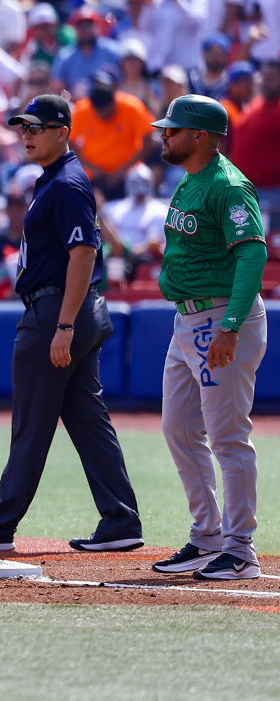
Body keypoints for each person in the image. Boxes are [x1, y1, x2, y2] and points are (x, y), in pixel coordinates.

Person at [0, 94, 143, 554]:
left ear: (62, 132)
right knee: (89, 422)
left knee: (32, 422)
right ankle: (121, 519)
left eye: (36, 127)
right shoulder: (54, 179)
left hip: (56, 311)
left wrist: (64, 326)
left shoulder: (67, 183)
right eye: (23, 127)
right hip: (66, 309)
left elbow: (84, 253)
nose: (26, 135)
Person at [150, 95, 268, 581]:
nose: (164, 136)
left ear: (199, 136)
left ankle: (240, 549)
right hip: (188, 321)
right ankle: (207, 536)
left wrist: (231, 326)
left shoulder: (228, 186)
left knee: (228, 438)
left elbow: (253, 255)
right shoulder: (190, 179)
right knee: (178, 428)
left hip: (222, 319)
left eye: (172, 130)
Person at [71, 71, 156, 200]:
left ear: (114, 102)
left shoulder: (131, 106)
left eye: (107, 109)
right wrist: (92, 168)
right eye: (100, 111)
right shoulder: (81, 110)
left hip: (129, 173)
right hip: (95, 175)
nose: (104, 114)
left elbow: (149, 142)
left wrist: (122, 170)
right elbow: (70, 143)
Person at [229, 61, 280, 229]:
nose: (268, 81)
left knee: (270, 242)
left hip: (272, 193)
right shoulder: (255, 104)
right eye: (265, 77)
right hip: (246, 191)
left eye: (273, 77)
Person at [50, 6, 120, 97]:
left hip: (109, 101)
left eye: (89, 26)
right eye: (82, 27)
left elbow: (126, 81)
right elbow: (57, 87)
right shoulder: (65, 55)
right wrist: (72, 96)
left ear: (97, 27)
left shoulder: (112, 51)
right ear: (76, 29)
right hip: (77, 103)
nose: (86, 31)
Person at [101, 163, 167, 258]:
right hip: (115, 257)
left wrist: (127, 253)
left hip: (143, 259)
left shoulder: (159, 211)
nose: (140, 189)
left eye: (144, 183)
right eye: (135, 183)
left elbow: (154, 244)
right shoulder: (112, 208)